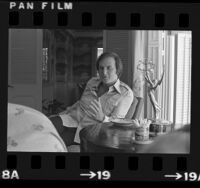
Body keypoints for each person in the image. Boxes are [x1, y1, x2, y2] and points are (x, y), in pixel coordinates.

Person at [50, 52, 134, 146]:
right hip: (71, 119)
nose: (104, 72)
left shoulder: (125, 93)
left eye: (109, 68)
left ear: (117, 70)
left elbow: (117, 124)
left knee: (50, 143)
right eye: (101, 68)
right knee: (44, 125)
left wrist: (102, 118)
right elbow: (80, 103)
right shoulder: (92, 82)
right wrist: (63, 113)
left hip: (89, 131)